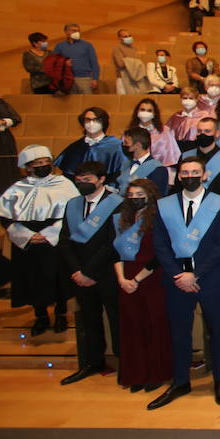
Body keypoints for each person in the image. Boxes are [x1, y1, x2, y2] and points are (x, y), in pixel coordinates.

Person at [147, 154, 220, 410]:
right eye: (185, 172)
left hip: (208, 276)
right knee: (179, 332)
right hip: (176, 279)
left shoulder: (219, 203)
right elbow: (160, 244)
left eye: (195, 172)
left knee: (216, 329)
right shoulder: (165, 205)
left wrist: (195, 275)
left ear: (205, 175)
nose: (190, 177)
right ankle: (180, 381)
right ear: (179, 176)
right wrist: (179, 274)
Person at [0, 146, 78, 335]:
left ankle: (60, 314)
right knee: (32, 278)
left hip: (54, 238)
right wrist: (27, 236)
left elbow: (72, 211)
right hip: (27, 242)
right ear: (28, 167)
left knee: (58, 277)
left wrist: (50, 233)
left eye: (46, 162)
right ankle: (41, 316)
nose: (43, 166)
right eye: (38, 163)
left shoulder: (63, 183)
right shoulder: (18, 188)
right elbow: (6, 218)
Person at [58, 161, 124, 384]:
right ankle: (93, 362)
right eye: (79, 179)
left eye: (87, 179)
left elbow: (112, 242)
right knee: (89, 320)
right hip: (79, 275)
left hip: (107, 272)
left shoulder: (116, 203)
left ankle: (124, 363)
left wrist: (89, 271)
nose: (82, 183)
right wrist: (77, 270)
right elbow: (64, 241)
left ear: (101, 179)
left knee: (117, 319)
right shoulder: (73, 204)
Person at [109, 178, 173, 391]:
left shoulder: (159, 217)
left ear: (150, 195)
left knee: (154, 325)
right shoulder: (121, 219)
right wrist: (121, 279)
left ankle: (156, 374)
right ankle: (137, 374)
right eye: (132, 195)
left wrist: (137, 279)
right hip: (125, 279)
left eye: (140, 194)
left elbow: (161, 253)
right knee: (132, 327)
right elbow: (115, 252)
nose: (136, 198)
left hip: (151, 278)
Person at [54, 106, 127, 183]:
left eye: (96, 120)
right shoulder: (74, 147)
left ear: (104, 122)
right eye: (87, 120)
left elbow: (120, 171)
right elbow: (68, 175)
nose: (91, 123)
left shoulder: (116, 145)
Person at [53, 23, 100, 93]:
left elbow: (94, 63)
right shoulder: (60, 46)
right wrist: (64, 63)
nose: (77, 33)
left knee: (87, 102)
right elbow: (53, 62)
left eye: (78, 31)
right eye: (73, 30)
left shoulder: (87, 45)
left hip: (84, 78)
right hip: (67, 79)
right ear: (66, 32)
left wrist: (95, 79)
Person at [112, 29, 147, 94]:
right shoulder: (117, 48)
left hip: (134, 78)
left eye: (129, 36)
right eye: (125, 36)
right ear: (120, 38)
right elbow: (121, 64)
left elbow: (138, 62)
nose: (128, 38)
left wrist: (133, 62)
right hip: (123, 77)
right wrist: (135, 62)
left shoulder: (134, 48)